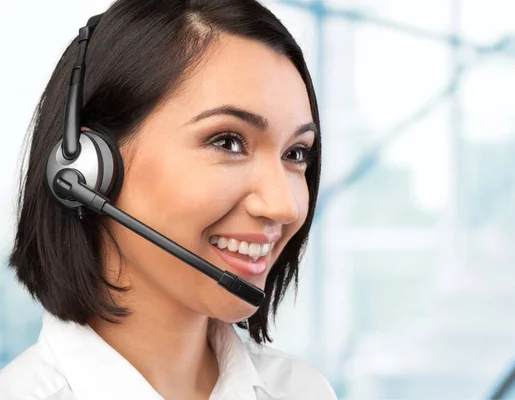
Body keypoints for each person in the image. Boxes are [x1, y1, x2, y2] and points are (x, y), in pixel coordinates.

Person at [0, 1, 337, 399]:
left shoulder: (301, 391)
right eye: (228, 142)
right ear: (85, 169)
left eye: (295, 153)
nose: (285, 206)